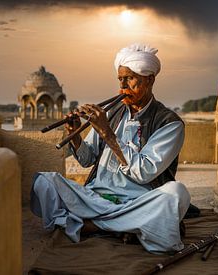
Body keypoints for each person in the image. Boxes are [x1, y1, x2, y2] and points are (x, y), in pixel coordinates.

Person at [30, 43, 191, 254]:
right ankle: (123, 226)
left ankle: (94, 226)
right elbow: (87, 159)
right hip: (96, 199)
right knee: (44, 182)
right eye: (120, 79)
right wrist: (76, 135)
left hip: (138, 203)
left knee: (176, 193)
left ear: (150, 79)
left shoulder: (169, 123)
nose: (122, 87)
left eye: (130, 78)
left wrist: (108, 134)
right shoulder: (113, 113)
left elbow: (144, 172)